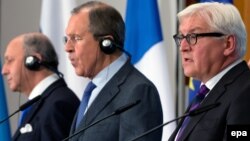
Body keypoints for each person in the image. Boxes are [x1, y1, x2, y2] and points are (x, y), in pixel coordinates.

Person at [64, 1, 163, 141]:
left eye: (76, 38)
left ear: (107, 43)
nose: (67, 48)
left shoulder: (138, 91)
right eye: (66, 39)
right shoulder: (92, 91)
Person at [169, 2, 250, 141]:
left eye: (193, 36)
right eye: (181, 37)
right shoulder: (205, 94)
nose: (183, 47)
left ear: (228, 44)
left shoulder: (245, 92)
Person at [2, 32, 80, 141]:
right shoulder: (43, 103)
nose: (4, 71)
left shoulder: (59, 104)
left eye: (9, 61)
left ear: (33, 61)